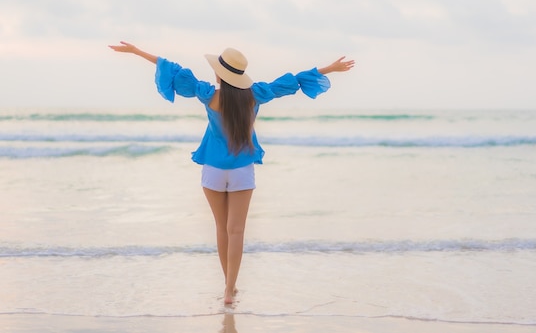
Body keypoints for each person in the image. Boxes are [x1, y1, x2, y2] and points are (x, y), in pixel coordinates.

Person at [108, 41, 355, 304]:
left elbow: (171, 68)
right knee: (236, 231)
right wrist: (331, 68)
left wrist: (136, 52)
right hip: (242, 171)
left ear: (219, 73)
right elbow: (293, 81)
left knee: (221, 228)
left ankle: (228, 287)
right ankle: (229, 290)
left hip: (213, 169)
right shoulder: (255, 95)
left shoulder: (207, 94)